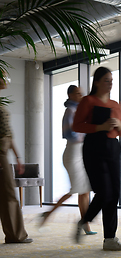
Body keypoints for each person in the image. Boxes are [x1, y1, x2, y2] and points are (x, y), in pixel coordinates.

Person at [72, 67, 121, 251]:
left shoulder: (115, 104)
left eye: (111, 80)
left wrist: (119, 124)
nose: (110, 83)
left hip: (113, 147)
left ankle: (110, 239)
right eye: (106, 80)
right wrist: (100, 126)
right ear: (96, 82)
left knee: (115, 193)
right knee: (105, 192)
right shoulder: (88, 101)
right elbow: (77, 125)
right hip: (94, 148)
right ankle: (85, 221)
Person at [39, 85, 96, 235]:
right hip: (73, 154)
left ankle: (85, 224)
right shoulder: (70, 112)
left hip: (81, 154)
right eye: (77, 93)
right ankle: (48, 213)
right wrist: (86, 133)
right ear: (70, 95)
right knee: (76, 190)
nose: (81, 95)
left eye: (81, 93)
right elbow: (69, 134)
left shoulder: (78, 111)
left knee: (84, 191)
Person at [0, 73, 33, 244]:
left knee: (7, 195)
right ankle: (16, 235)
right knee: (8, 195)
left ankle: (15, 234)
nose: (7, 80)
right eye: (4, 77)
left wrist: (18, 157)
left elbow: (8, 134)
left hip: (3, 153)